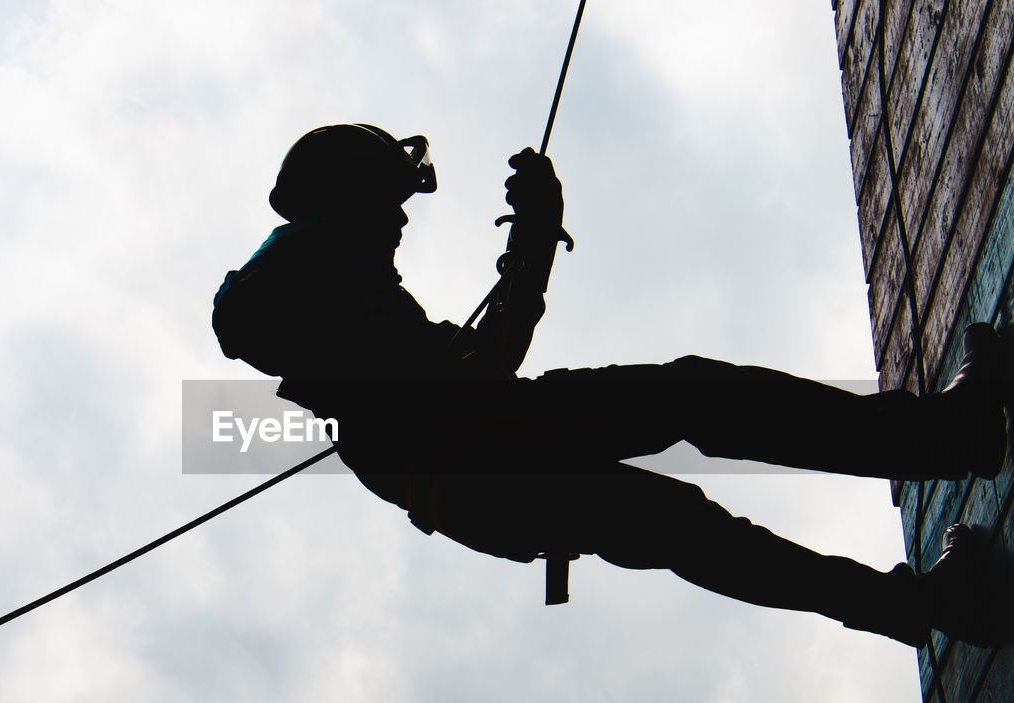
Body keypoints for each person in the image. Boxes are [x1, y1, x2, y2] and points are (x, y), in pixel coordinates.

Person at [212, 122, 1014, 648]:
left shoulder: (321, 292)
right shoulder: (320, 273)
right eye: (391, 201)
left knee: (689, 515)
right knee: (696, 426)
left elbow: (468, 377)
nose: (401, 222)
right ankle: (947, 448)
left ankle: (930, 598)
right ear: (351, 197)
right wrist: (532, 240)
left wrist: (528, 248)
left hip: (490, 472)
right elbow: (485, 369)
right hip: (496, 458)